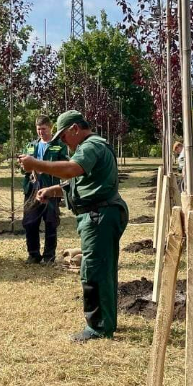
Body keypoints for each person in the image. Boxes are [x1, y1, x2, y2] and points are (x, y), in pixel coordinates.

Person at [19, 110, 129, 343]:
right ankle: (106, 322)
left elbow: (71, 169)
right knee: (103, 270)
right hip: (100, 214)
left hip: (99, 216)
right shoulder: (91, 147)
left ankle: (98, 328)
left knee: (94, 272)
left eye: (64, 136)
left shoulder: (91, 146)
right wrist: (53, 190)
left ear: (75, 129)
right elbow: (80, 182)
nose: (62, 141)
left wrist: (35, 164)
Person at [21, 115, 68, 264]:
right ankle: (33, 254)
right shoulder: (30, 146)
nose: (41, 132)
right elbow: (22, 167)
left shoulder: (60, 146)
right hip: (32, 190)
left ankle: (49, 256)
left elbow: (65, 166)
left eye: (44, 129)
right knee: (30, 222)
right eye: (38, 129)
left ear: (51, 128)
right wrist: (25, 167)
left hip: (51, 190)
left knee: (50, 222)